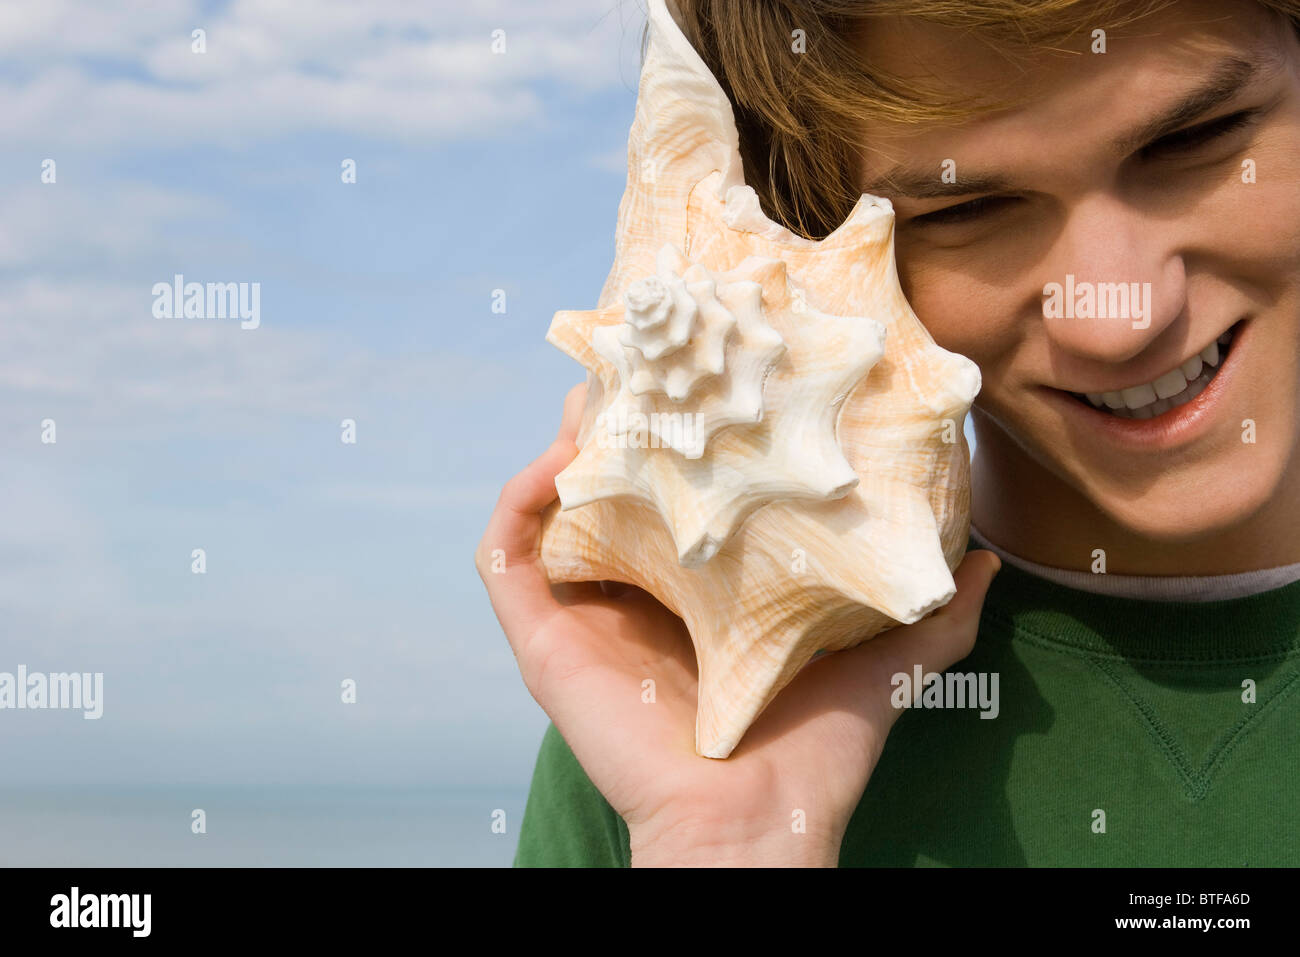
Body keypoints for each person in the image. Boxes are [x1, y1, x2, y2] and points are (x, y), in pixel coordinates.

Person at [476, 0, 1300, 866]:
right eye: (966, 210)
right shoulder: (677, 742)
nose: (1119, 315)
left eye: (1198, 137)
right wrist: (733, 840)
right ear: (819, 249)